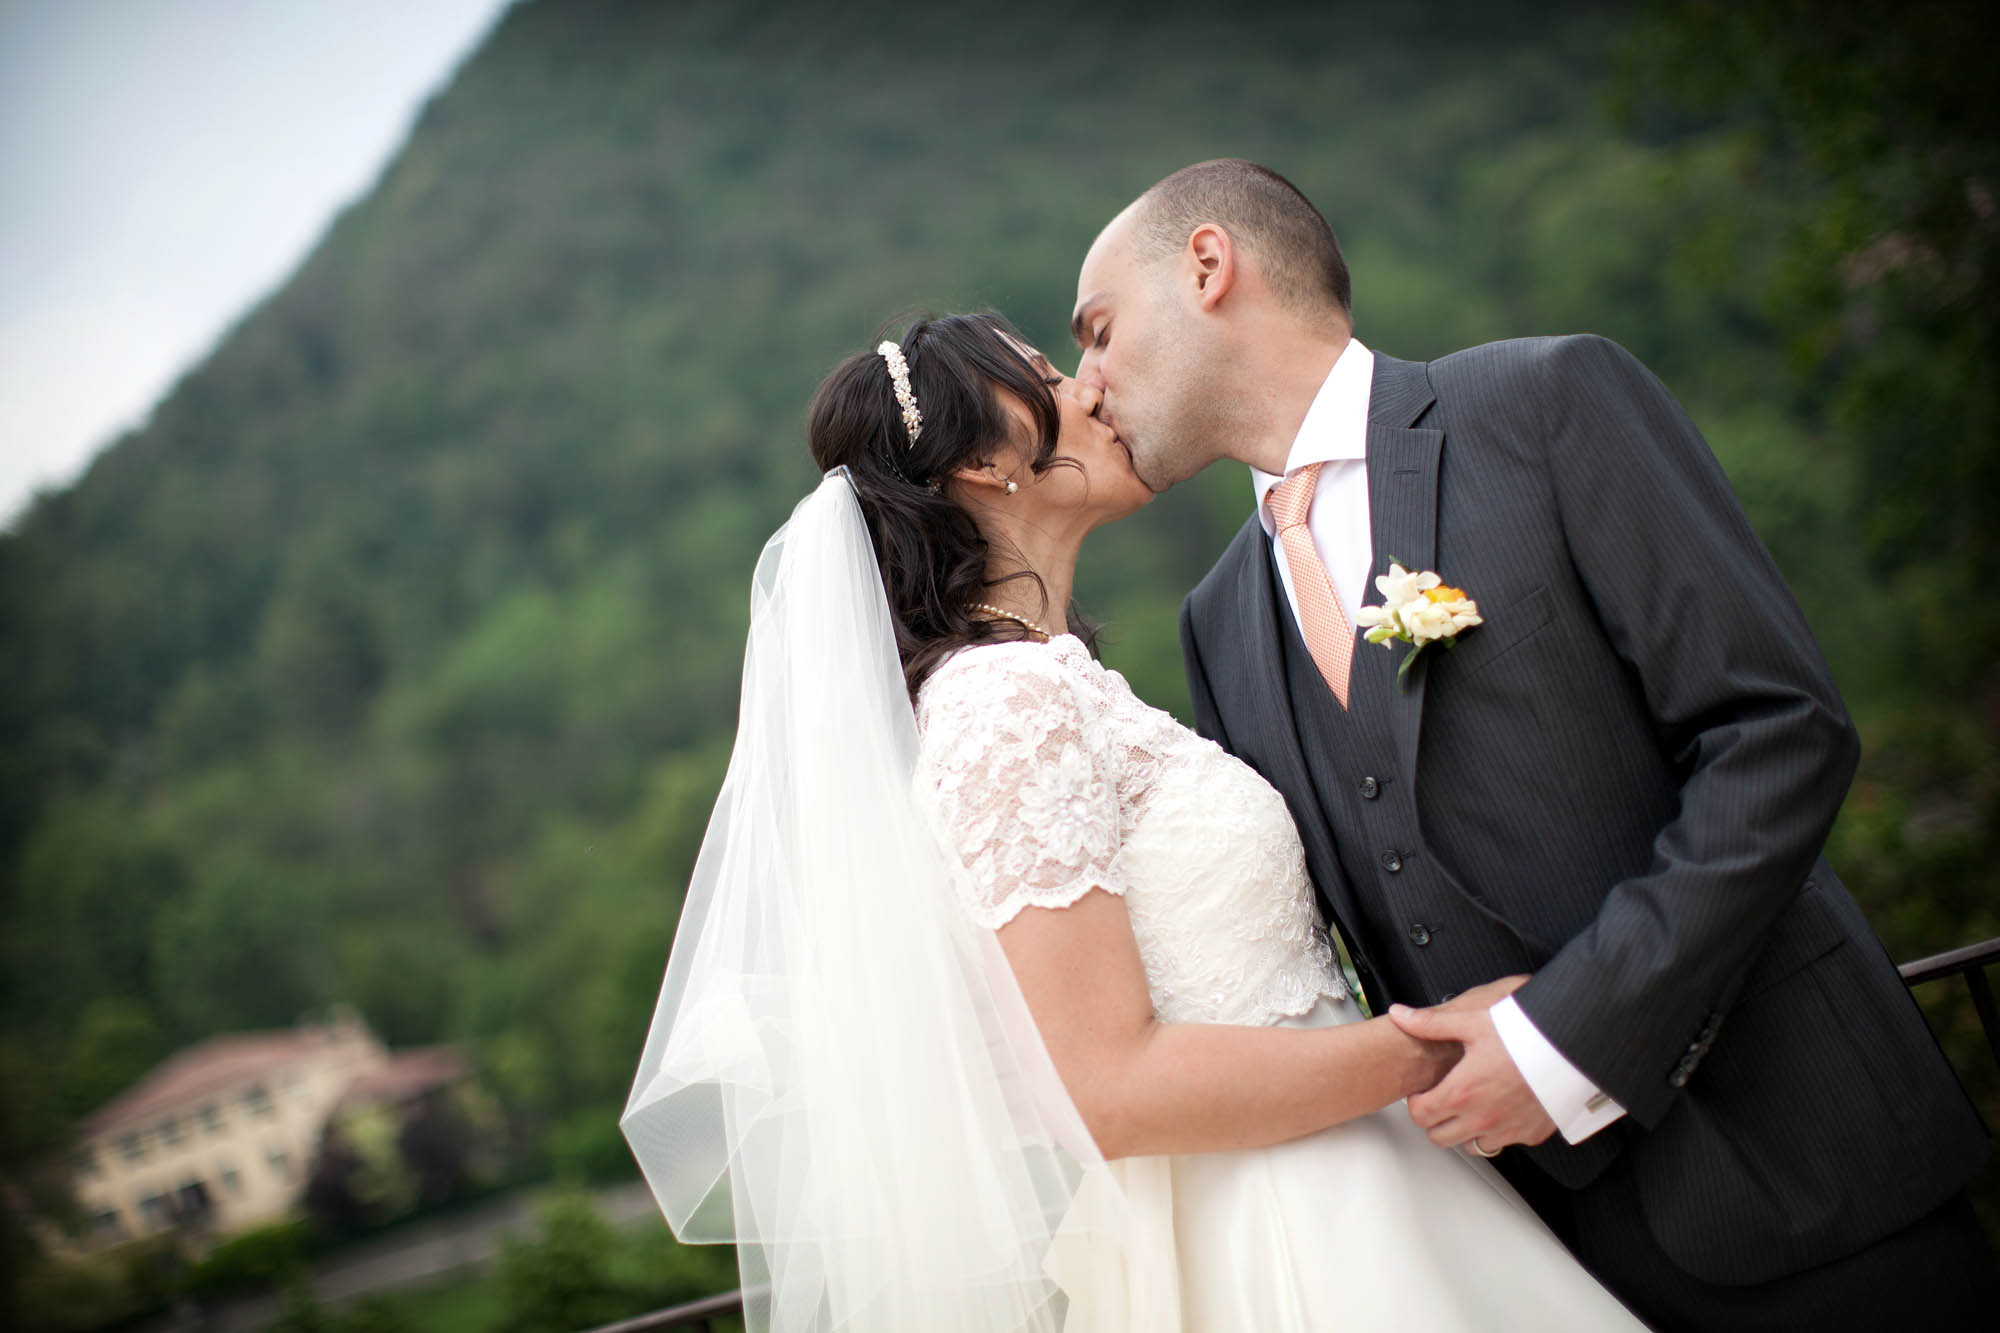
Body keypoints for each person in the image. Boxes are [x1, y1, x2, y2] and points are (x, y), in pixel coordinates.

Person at [1074, 158, 1996, 1331]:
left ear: (1208, 267)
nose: (1085, 384)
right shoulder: (1217, 623)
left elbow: (1777, 732)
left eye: (1097, 332)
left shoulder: (1544, 403)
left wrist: (1570, 1032)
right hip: (1527, 1255)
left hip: (1798, 1161)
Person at [624, 310, 1649, 1331]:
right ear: (984, 460)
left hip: (1366, 1175)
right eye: (1042, 373)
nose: (1089, 388)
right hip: (1281, 1225)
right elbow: (1103, 1086)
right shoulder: (1003, 707)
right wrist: (1438, 1049)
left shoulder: (1056, 685)